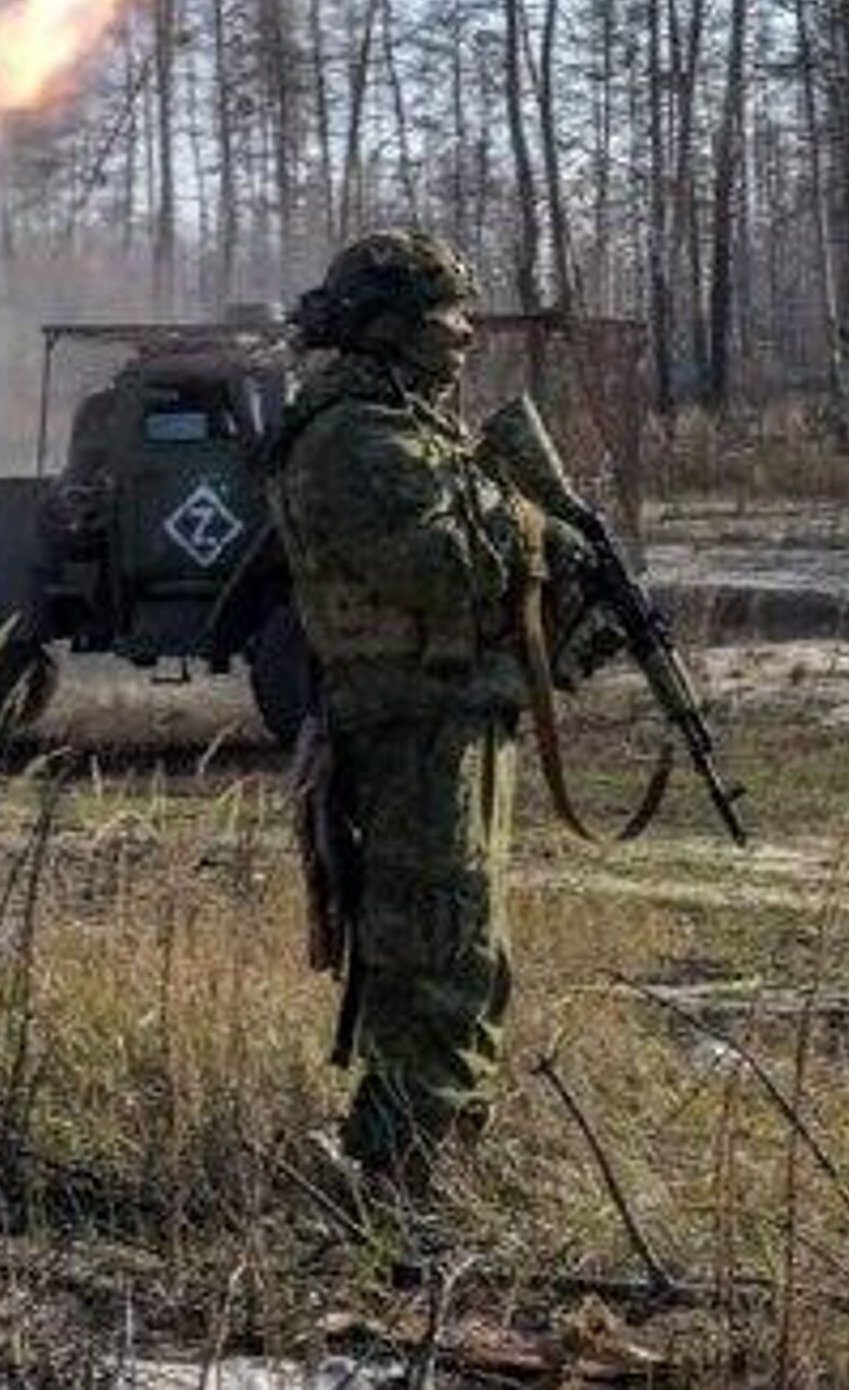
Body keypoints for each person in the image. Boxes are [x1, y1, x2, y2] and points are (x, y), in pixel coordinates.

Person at [267, 230, 568, 1200]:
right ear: (389, 326)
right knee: (435, 944)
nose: (464, 332)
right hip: (411, 729)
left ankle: (438, 1147)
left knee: (468, 944)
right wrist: (532, 520)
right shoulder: (353, 439)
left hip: (453, 717)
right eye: (445, 314)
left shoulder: (407, 424)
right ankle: (400, 1168)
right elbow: (443, 567)